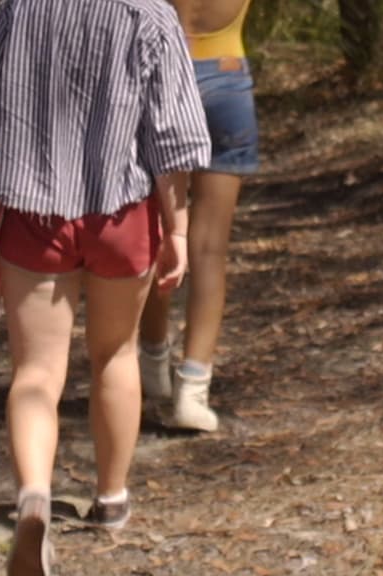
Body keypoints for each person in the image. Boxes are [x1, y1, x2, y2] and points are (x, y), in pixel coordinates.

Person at [0, 0, 210, 576]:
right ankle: (111, 497)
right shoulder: (148, 15)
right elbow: (171, 135)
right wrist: (177, 229)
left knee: (35, 372)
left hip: (32, 211)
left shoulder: (19, 8)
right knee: (115, 355)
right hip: (121, 213)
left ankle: (33, 497)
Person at [137, 0, 261, 432]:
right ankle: (193, 386)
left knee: (157, 233)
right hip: (226, 81)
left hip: (161, 81)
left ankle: (153, 357)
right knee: (209, 249)